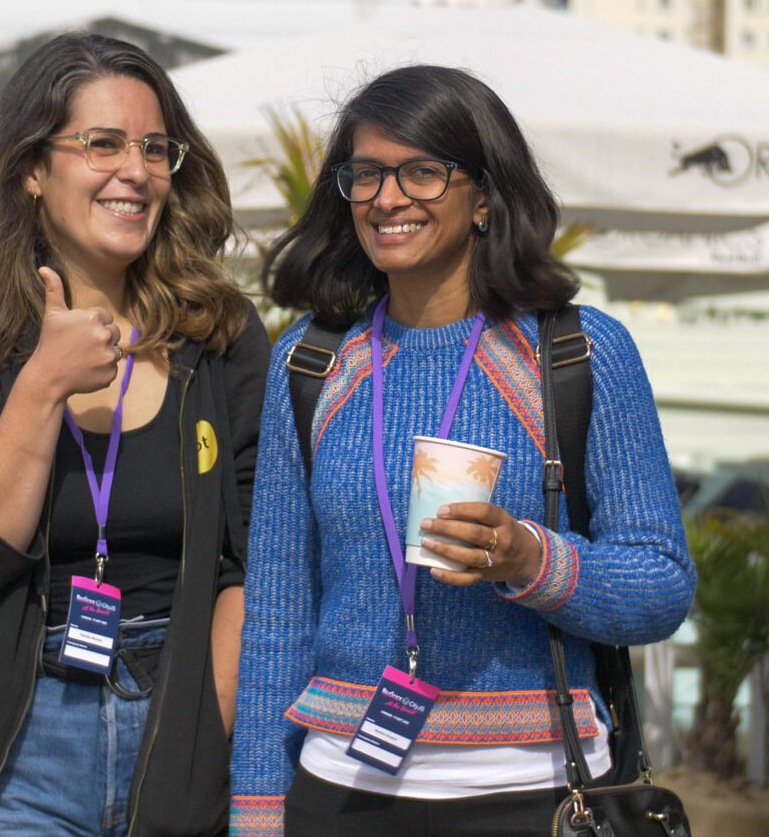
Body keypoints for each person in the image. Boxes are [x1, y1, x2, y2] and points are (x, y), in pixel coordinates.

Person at [229, 66, 697, 837]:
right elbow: (277, 616)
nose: (387, 198)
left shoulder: (578, 356)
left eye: (422, 171)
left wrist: (528, 559)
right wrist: (254, 816)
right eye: (367, 174)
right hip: (339, 793)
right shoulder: (310, 367)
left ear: (484, 195)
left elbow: (662, 584)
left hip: (538, 795)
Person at [0, 32, 269, 837]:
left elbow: (256, 555)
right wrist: (40, 387)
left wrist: (210, 720)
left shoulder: (221, 337)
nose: (135, 170)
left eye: (155, 148)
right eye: (102, 144)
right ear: (32, 169)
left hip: (181, 720)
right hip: (18, 738)